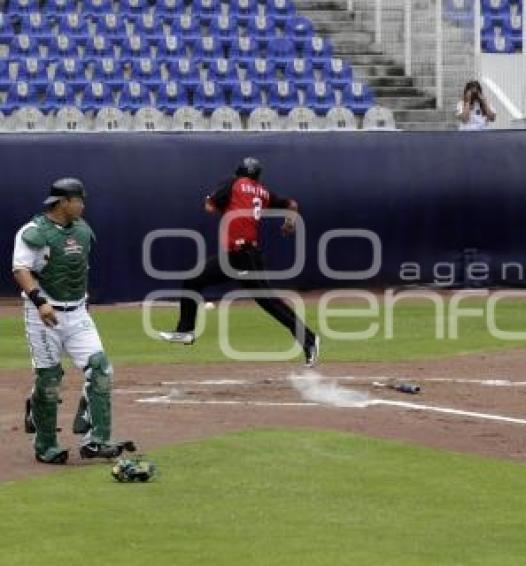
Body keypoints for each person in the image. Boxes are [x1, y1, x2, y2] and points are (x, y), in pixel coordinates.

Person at [13, 178, 135, 464]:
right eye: (78, 200)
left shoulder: (82, 230)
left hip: (78, 312)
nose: (82, 205)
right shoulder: (33, 232)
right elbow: (21, 270)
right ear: (62, 202)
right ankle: (46, 445)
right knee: (49, 380)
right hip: (44, 315)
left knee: (101, 368)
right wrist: (40, 303)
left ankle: (97, 439)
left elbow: (79, 271)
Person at [158, 157, 320, 366]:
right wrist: (289, 223)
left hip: (243, 256)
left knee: (268, 302)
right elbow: (292, 205)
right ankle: (185, 331)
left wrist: (223, 204)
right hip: (236, 256)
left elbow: (209, 206)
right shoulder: (262, 191)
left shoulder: (234, 183)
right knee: (193, 280)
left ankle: (309, 340)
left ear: (240, 171)